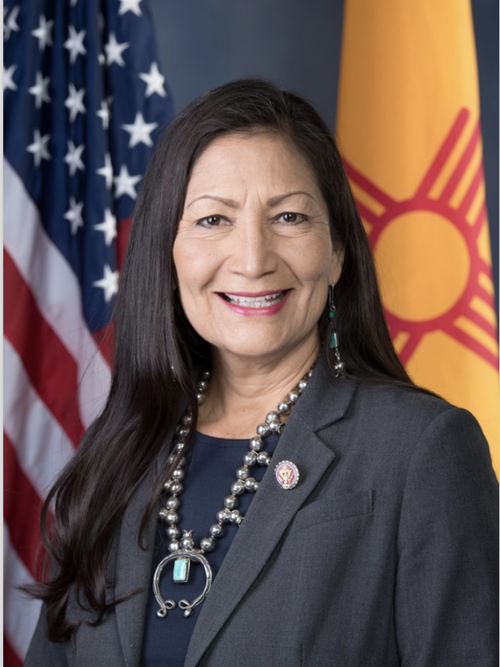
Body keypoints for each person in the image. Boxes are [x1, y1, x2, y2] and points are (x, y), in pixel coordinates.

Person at [25, 79, 498, 667]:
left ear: (338, 253)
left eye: (290, 216)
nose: (252, 259)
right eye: (212, 220)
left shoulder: (423, 451)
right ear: (166, 253)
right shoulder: (118, 450)